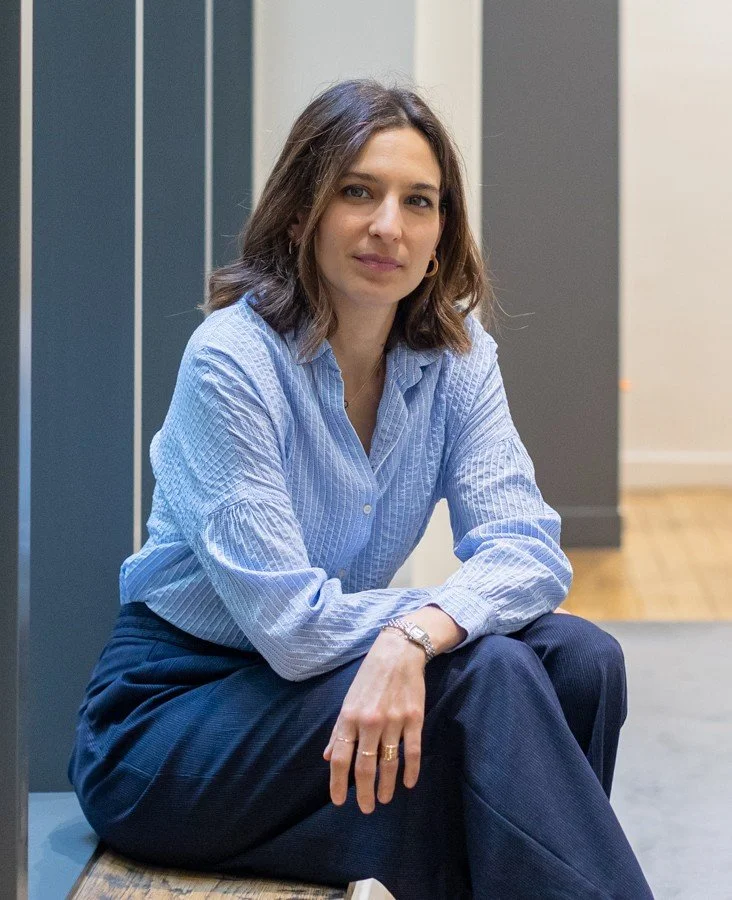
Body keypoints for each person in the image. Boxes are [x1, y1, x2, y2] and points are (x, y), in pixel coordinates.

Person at [68, 78, 654, 899]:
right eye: (358, 192)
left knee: (582, 661)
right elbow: (291, 627)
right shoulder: (232, 362)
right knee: (493, 674)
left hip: (316, 693)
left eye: (419, 202)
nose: (389, 226)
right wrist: (420, 633)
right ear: (303, 212)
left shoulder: (456, 358)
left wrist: (419, 634)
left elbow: (529, 550)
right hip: (175, 717)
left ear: (442, 230)